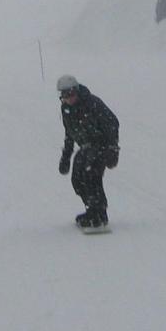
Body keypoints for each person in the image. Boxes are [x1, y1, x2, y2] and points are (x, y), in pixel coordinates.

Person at [56, 74, 120, 230]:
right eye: (64, 95)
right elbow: (69, 133)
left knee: (91, 175)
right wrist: (66, 156)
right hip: (85, 146)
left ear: (77, 91)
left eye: (71, 94)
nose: (68, 98)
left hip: (102, 145)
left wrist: (111, 147)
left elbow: (112, 122)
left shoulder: (92, 103)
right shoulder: (66, 109)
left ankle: (99, 214)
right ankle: (91, 210)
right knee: (77, 180)